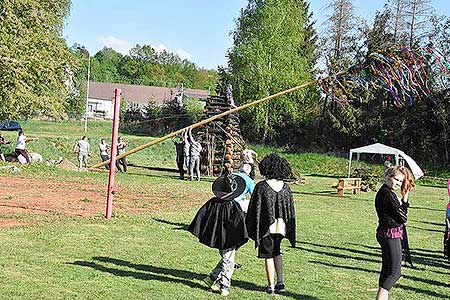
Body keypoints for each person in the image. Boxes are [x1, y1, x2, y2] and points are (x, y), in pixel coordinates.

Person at [188, 171, 248, 296]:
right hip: (229, 238)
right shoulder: (234, 205)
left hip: (217, 237)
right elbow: (239, 222)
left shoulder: (212, 203)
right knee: (228, 261)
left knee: (226, 258)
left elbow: (201, 215)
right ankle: (224, 285)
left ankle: (211, 277)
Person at [245, 153, 296, 295]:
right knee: (277, 252)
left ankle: (270, 286)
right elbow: (289, 209)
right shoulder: (285, 187)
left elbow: (254, 208)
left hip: (266, 228)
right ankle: (280, 283)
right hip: (281, 228)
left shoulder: (262, 186)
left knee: (268, 255)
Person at [374, 166, 413, 300]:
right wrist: (405, 199)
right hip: (390, 234)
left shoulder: (387, 192)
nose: (398, 183)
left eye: (400, 181)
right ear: (388, 176)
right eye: (396, 179)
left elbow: (400, 214)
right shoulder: (387, 194)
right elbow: (403, 217)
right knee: (394, 273)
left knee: (387, 272)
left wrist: (405, 196)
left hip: (386, 233)